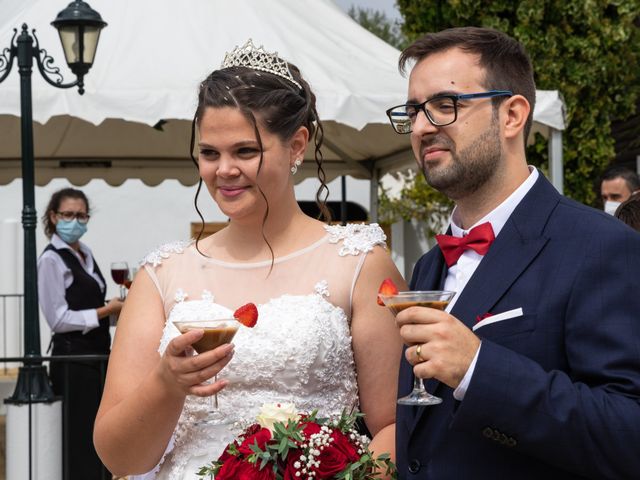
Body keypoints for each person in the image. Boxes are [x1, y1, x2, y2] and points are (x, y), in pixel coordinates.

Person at [93, 39, 404, 479]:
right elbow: (119, 458)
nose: (224, 171)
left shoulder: (358, 262)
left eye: (245, 151)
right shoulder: (161, 275)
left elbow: (393, 424)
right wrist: (168, 383)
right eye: (209, 153)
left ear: (297, 145)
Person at [384, 27, 640, 479]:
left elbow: (628, 434)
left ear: (512, 116)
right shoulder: (428, 264)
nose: (422, 127)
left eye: (445, 106)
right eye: (413, 112)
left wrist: (478, 369)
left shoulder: (601, 246)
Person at [38, 187, 124, 479]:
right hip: (73, 361)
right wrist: (106, 311)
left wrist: (117, 312)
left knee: (98, 434)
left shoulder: (84, 253)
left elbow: (88, 305)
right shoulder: (51, 259)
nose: (75, 221)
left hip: (97, 357)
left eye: (81, 215)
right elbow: (58, 319)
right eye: (68, 215)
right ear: (54, 216)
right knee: (79, 437)